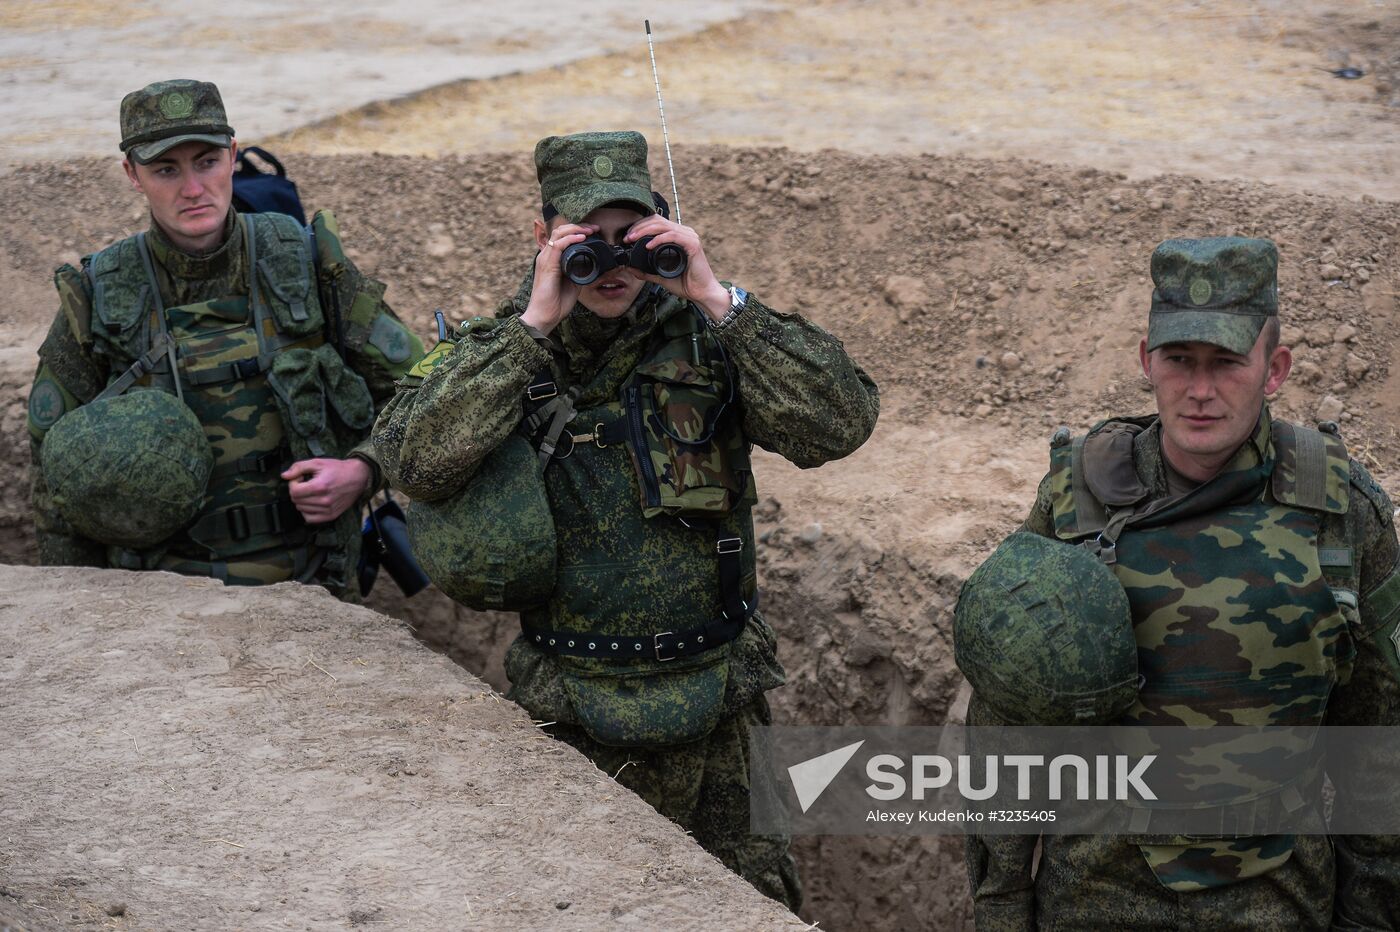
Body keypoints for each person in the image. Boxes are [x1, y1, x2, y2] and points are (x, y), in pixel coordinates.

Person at [373, 131, 880, 910]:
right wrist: (532, 329)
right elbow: (411, 458)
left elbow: (840, 422)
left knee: (751, 902)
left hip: (722, 703)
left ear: (663, 223)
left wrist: (715, 296)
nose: (612, 266)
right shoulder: (503, 347)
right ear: (544, 237)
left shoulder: (714, 338)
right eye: (588, 242)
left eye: (630, 237)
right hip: (573, 706)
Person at [960, 237, 1400, 930]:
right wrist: (1001, 902)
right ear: (1146, 360)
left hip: (1276, 900)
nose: (1199, 390)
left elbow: (1377, 745)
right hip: (1092, 896)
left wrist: (1372, 914)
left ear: (1274, 368)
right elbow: (1010, 720)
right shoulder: (1077, 502)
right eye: (1178, 361)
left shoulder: (1344, 515)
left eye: (1226, 363)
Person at [27, 79, 424, 596]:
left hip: (315, 587)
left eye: (207, 162)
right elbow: (52, 470)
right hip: (159, 600)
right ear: (133, 175)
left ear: (234, 156)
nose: (192, 189)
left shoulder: (304, 262)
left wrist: (363, 469)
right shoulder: (101, 295)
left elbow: (425, 385)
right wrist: (86, 606)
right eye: (166, 169)